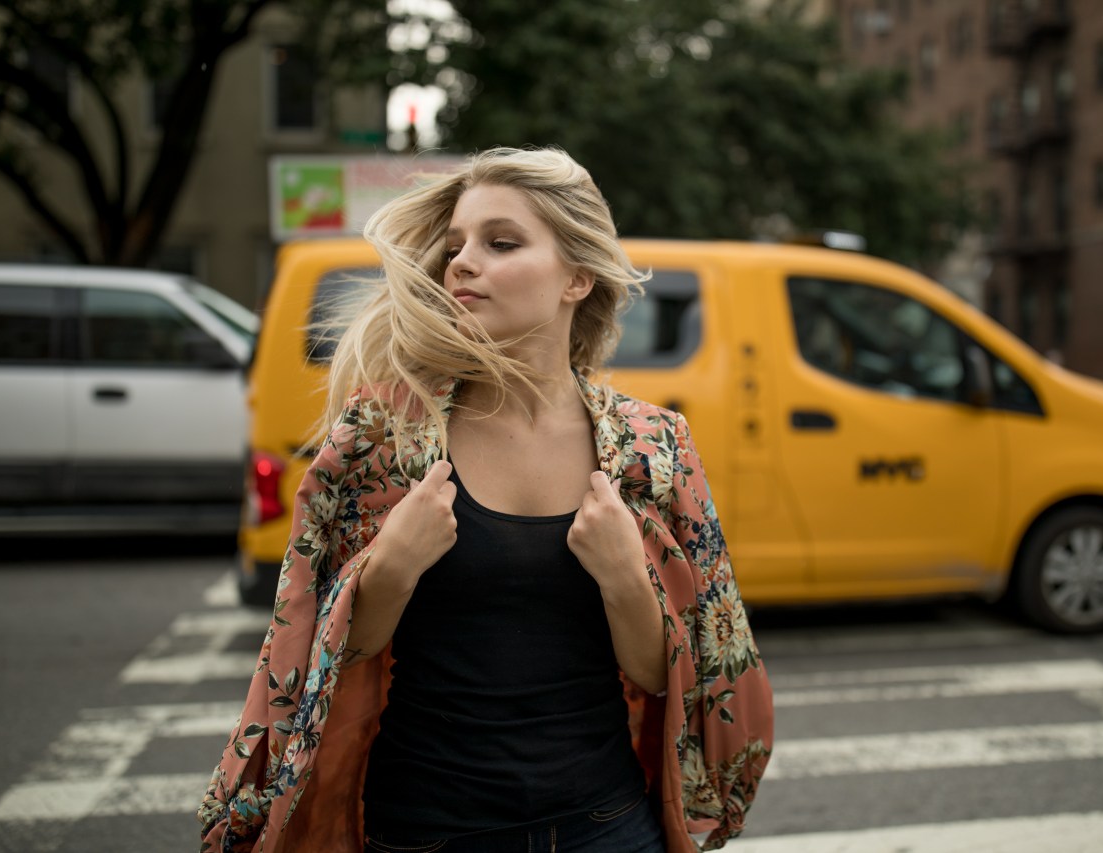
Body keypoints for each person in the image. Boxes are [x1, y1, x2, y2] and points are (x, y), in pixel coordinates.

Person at [199, 146, 773, 853]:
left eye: (500, 242)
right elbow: (327, 649)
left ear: (577, 277)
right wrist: (391, 567)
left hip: (607, 827)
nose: (462, 263)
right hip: (426, 829)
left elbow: (671, 675)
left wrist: (626, 573)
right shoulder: (385, 431)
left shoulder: (654, 446)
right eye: (454, 247)